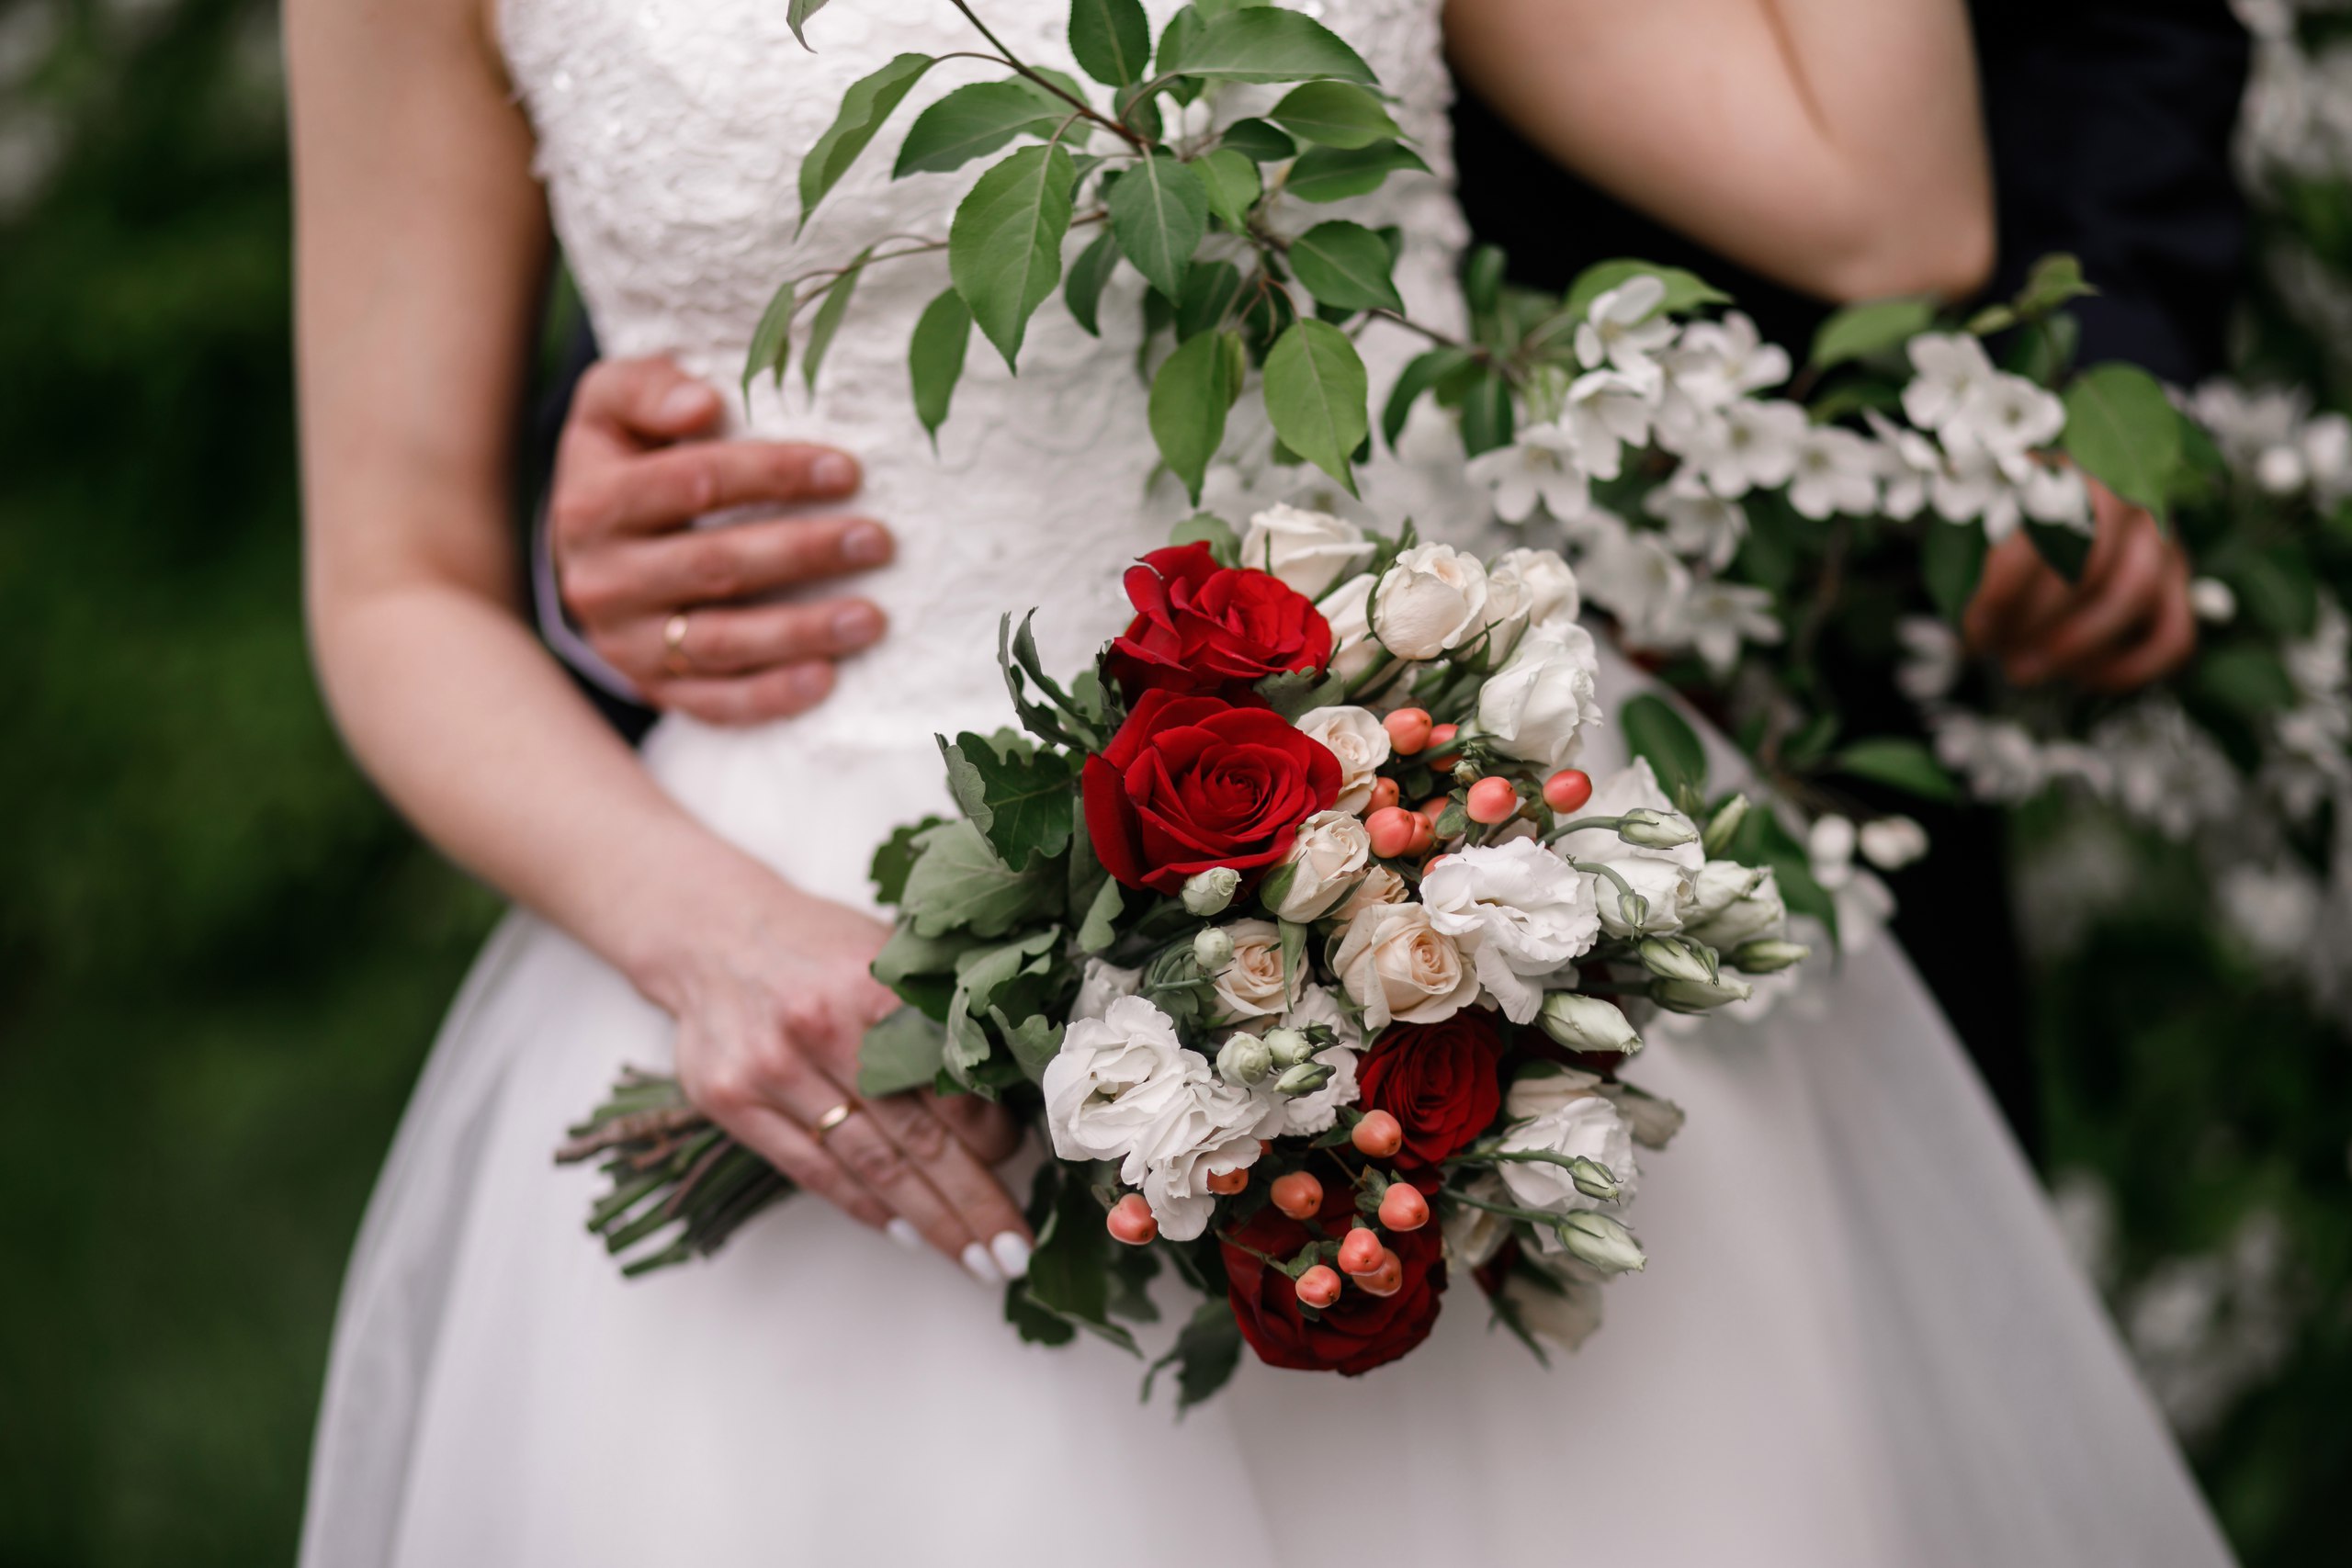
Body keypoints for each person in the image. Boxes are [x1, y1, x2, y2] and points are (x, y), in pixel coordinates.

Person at [290, 1, 2235, 1563]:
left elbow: (1886, 215)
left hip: (1424, 881)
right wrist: (717, 942)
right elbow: (393, 581)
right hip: (813, 967)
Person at [1450, 0, 2246, 1150]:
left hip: (1842, 589)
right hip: (1429, 564)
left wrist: (2090, 397)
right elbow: (1910, 228)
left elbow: (2119, 38)